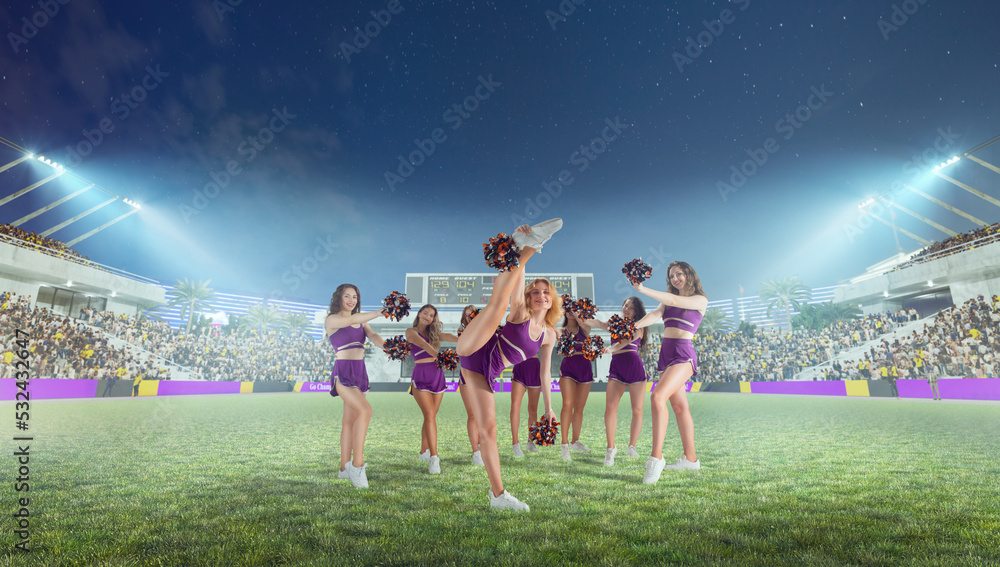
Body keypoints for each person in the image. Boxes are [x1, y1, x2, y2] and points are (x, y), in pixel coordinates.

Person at [456, 219, 562, 511]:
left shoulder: (549, 335)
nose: (541, 295)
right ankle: (528, 247)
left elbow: (544, 373)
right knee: (497, 305)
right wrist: (521, 254)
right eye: (535, 291)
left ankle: (498, 496)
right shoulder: (520, 312)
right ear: (529, 297)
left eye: (546, 292)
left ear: (552, 300)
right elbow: (516, 284)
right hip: (474, 349)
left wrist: (549, 407)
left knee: (489, 429)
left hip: (485, 371)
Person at [633, 261, 708, 484]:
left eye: (679, 274)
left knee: (657, 396)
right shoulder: (667, 300)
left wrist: (642, 289)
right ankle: (691, 460)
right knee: (679, 406)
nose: (675, 278)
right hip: (666, 354)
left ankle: (656, 458)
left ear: (689, 275)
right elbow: (656, 314)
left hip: (683, 353)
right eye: (672, 276)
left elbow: (675, 300)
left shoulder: (699, 299)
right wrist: (633, 325)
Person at [325, 283, 386, 489]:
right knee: (365, 411)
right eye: (347, 296)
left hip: (360, 372)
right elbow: (351, 319)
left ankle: (344, 468)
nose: (352, 300)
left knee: (349, 422)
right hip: (343, 371)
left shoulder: (362, 323)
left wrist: (388, 346)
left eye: (355, 297)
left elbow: (373, 336)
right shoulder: (332, 320)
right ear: (339, 299)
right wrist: (379, 312)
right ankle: (357, 466)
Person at [586, 296, 649, 466]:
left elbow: (625, 342)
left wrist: (610, 349)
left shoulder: (639, 327)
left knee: (637, 409)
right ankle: (610, 448)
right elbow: (598, 323)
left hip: (634, 367)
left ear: (637, 311)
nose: (626, 309)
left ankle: (632, 446)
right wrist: (580, 315)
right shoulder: (614, 323)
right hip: (617, 367)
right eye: (624, 305)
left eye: (630, 307)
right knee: (610, 408)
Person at [406, 304, 459, 475]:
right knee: (429, 415)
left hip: (437, 375)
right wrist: (441, 356)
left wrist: (465, 337)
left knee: (431, 416)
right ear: (419, 313)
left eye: (431, 315)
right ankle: (434, 457)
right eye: (426, 313)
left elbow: (449, 337)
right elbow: (423, 345)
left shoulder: (434, 334)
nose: (428, 317)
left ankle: (423, 451)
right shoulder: (411, 331)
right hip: (421, 374)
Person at [557, 307, 593, 460]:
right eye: (568, 309)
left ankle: (575, 441)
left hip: (585, 367)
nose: (571, 311)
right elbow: (561, 343)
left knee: (579, 408)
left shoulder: (585, 328)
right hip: (568, 368)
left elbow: (585, 324)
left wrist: (578, 315)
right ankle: (564, 445)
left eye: (574, 309)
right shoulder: (560, 330)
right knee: (568, 404)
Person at [457, 305, 484, 466]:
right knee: (473, 414)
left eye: (472, 314)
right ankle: (476, 452)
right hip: (467, 375)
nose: (470, 317)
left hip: (482, 375)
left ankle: (482, 445)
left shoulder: (485, 329)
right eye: (467, 315)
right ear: (464, 318)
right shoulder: (462, 332)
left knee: (482, 415)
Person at [510, 356, 542, 457]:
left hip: (534, 367)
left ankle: (531, 442)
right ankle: (515, 443)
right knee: (515, 406)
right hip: (520, 362)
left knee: (533, 409)